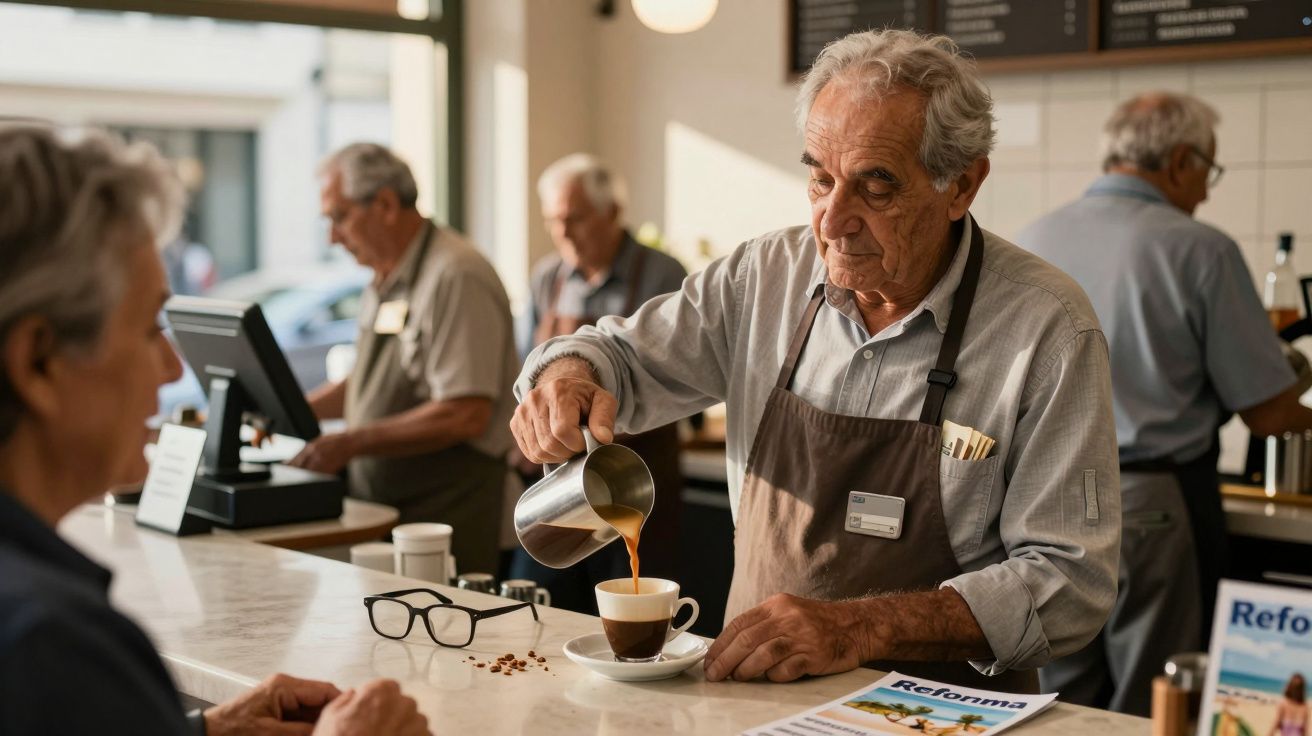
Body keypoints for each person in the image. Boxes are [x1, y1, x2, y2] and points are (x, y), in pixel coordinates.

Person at [512, 29, 1120, 691]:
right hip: (752, 704)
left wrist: (862, 627)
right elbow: (617, 356)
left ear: (962, 185)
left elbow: (1071, 581)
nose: (832, 221)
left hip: (941, 715)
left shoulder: (1046, 327)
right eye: (820, 178)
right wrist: (565, 375)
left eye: (875, 187)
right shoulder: (761, 278)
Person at [0, 125, 430, 735]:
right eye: (151, 329)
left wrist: (207, 731)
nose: (173, 367)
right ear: (39, 362)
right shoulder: (48, 647)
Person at [1015, 92, 1312, 715]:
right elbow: (1269, 413)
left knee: (1055, 699)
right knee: (1156, 697)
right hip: (1151, 506)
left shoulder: (1031, 240)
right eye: (1208, 170)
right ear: (1180, 161)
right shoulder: (1201, 249)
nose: (1205, 190)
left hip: (1040, 498)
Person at [292, 143, 518, 576]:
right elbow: (367, 382)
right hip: (395, 512)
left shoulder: (455, 275)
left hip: (451, 517)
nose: (332, 237)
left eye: (339, 217)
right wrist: (293, 411)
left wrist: (351, 442)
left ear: (385, 204)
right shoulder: (384, 277)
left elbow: (465, 413)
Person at [509, 153, 688, 613]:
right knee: (539, 610)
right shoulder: (547, 277)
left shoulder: (662, 274)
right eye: (554, 221)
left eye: (575, 219)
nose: (563, 232)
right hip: (561, 487)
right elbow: (526, 364)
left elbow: (679, 377)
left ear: (612, 213)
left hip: (636, 482)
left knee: (636, 612)